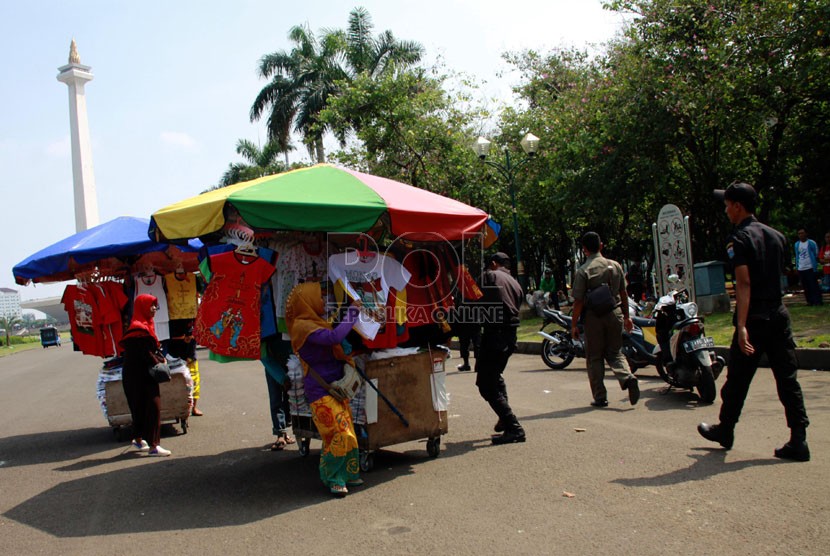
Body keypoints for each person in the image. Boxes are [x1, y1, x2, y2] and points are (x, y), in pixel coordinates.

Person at [698, 182, 810, 461]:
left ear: (738, 206)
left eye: (727, 204)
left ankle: (726, 429)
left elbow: (744, 283)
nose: (725, 210)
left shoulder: (739, 239)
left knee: (737, 378)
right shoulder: (777, 236)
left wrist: (741, 326)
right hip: (778, 314)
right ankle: (799, 440)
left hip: (756, 318)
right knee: (787, 379)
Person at [285, 281, 363, 496]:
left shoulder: (315, 322)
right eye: (319, 297)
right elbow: (334, 338)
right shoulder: (303, 327)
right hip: (320, 390)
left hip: (336, 387)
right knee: (338, 434)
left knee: (348, 432)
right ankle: (333, 478)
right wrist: (353, 312)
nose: (323, 301)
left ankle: (348, 472)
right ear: (307, 301)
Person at [570, 232, 639, 407]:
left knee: (594, 357)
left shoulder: (583, 271)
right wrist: (627, 317)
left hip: (594, 318)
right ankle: (627, 377)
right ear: (601, 245)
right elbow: (624, 293)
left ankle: (600, 397)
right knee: (615, 352)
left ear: (584, 250)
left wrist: (574, 325)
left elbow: (578, 301)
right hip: (614, 313)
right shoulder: (615, 266)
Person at [475, 252, 526, 445]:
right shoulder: (514, 282)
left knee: (486, 385)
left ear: (494, 263)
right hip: (510, 335)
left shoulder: (490, 276)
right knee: (495, 377)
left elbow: (477, 305)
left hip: (495, 334)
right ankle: (505, 421)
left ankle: (514, 427)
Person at [120, 294, 171, 457]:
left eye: (156, 306)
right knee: (152, 408)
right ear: (142, 306)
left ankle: (138, 439)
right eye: (152, 305)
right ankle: (154, 446)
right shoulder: (138, 329)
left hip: (135, 375)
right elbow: (146, 353)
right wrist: (161, 361)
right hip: (140, 376)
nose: (155, 309)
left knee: (139, 408)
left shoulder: (143, 325)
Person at [262, 335, 295, 450]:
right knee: (276, 398)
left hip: (290, 361)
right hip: (272, 364)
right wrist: (281, 378)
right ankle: (280, 434)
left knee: (289, 398)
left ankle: (285, 431)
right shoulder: (264, 326)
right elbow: (263, 356)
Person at [794, 229, 822, 305]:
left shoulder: (811, 243)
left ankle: (817, 301)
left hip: (810, 267)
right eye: (799, 234)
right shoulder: (797, 244)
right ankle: (809, 301)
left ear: (806, 234)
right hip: (801, 267)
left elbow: (816, 253)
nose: (801, 235)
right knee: (805, 286)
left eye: (802, 233)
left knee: (813, 285)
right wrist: (797, 267)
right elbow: (797, 255)